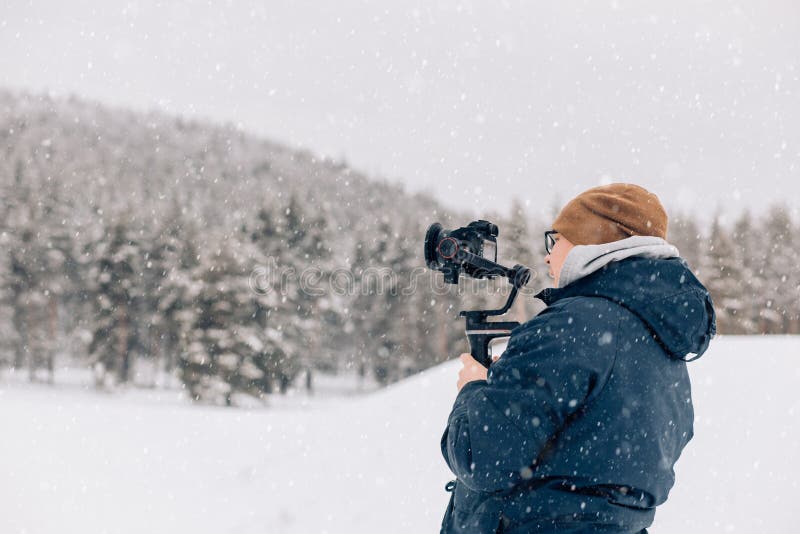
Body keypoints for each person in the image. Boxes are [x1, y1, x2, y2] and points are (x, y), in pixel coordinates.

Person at [440, 183, 716, 533]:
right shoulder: (663, 344)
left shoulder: (572, 327)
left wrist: (473, 388)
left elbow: (480, 457)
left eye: (554, 241)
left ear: (591, 241)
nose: (547, 255)